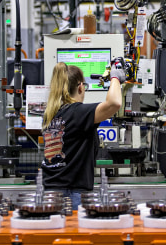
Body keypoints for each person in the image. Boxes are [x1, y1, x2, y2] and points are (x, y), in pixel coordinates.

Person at [41, 60, 126, 210]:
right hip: (72, 193)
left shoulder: (50, 114)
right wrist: (115, 78)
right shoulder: (78, 112)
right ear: (80, 87)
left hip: (50, 192)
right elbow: (114, 103)